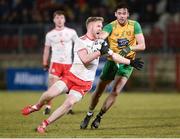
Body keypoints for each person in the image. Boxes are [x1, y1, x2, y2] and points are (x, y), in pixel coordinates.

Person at [21, 16, 143, 133]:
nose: (101, 29)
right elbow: (85, 60)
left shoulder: (101, 42)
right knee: (50, 94)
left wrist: (130, 62)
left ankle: (44, 124)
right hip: (71, 77)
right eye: (98, 26)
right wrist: (99, 52)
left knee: (69, 104)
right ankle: (37, 106)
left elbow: (114, 55)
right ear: (90, 26)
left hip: (84, 84)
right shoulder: (80, 41)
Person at [80, 2, 146, 129]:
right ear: (115, 14)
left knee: (116, 91)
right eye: (119, 13)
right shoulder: (110, 26)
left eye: (124, 13)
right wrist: (99, 40)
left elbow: (142, 45)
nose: (122, 16)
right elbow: (102, 36)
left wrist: (128, 48)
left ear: (128, 14)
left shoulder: (134, 25)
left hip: (127, 62)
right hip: (112, 61)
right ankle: (89, 114)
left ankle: (99, 117)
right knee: (99, 90)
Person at [42, 10, 77, 115]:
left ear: (65, 19)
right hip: (56, 63)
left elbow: (79, 45)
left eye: (61, 17)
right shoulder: (50, 35)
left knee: (70, 87)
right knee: (52, 87)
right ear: (54, 20)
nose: (59, 20)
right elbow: (46, 49)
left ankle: (69, 108)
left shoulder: (72, 32)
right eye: (57, 18)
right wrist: (44, 62)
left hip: (68, 63)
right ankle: (48, 106)